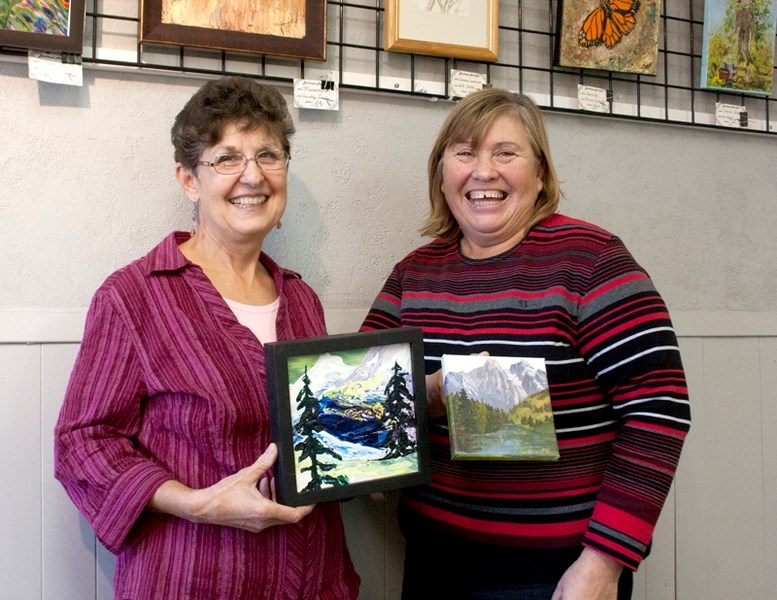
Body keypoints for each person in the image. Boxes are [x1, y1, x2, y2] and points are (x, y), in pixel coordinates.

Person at [360, 88, 690, 600]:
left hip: (558, 575)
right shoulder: (413, 274)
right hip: (434, 565)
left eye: (506, 153)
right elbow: (361, 400)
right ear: (441, 173)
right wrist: (426, 394)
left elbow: (659, 410)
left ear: (540, 176)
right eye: (464, 152)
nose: (483, 171)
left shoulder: (592, 261)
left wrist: (604, 564)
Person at [54, 76, 360, 599]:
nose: (253, 176)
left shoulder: (301, 299)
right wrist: (196, 502)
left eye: (269, 154)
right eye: (226, 158)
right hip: (193, 577)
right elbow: (82, 443)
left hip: (316, 577)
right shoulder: (134, 297)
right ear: (189, 179)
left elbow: (320, 433)